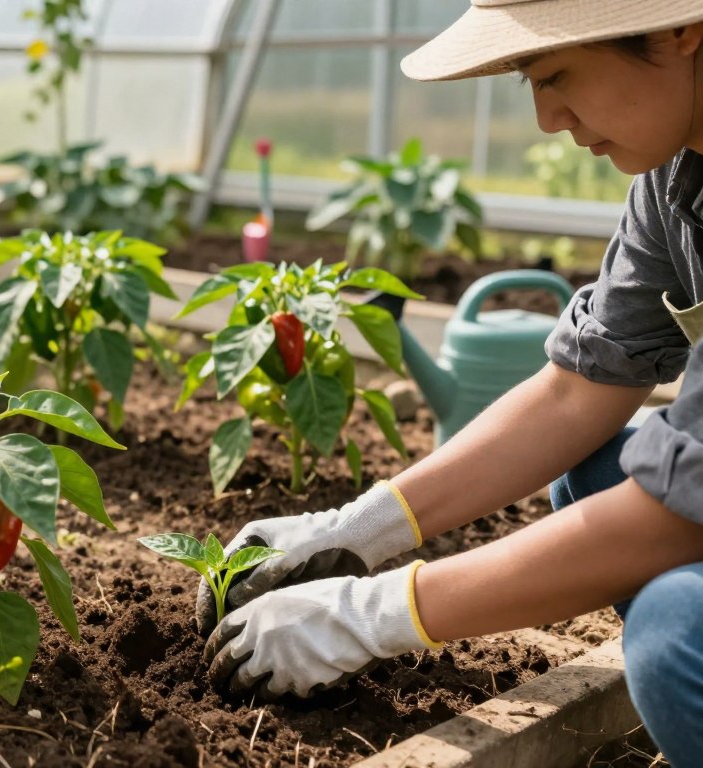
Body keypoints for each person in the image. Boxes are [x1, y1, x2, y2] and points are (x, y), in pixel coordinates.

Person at [198, 2, 703, 764]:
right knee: (597, 474)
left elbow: (678, 514)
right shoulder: (674, 179)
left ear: (678, 29)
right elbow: (577, 391)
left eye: (557, 75)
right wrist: (357, 530)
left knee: (675, 637)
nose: (547, 119)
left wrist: (372, 615)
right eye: (530, 83)